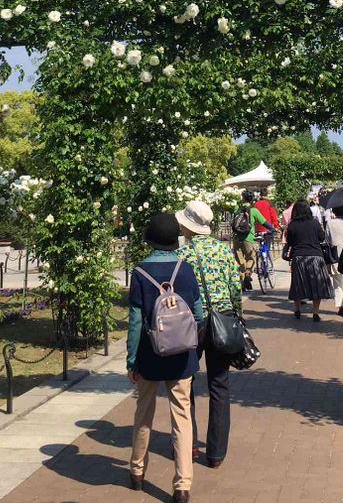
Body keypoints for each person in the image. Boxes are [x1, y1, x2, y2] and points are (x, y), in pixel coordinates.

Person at [127, 212, 204, 502]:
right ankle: (183, 484)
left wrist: (131, 360)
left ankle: (136, 470)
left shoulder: (140, 272)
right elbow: (197, 313)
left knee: (143, 412)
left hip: (149, 353)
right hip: (181, 354)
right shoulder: (185, 269)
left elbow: (135, 322)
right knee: (181, 416)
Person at [177, 199, 242, 470]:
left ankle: (187, 444)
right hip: (222, 321)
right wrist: (235, 314)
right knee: (219, 385)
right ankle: (216, 452)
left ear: (188, 226)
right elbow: (235, 288)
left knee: (186, 383)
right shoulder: (224, 251)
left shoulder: (185, 255)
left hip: (193, 324)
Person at [282, 199, 333, 322]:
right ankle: (315, 312)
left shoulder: (292, 225)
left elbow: (290, 242)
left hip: (299, 257)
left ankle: (297, 310)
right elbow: (322, 237)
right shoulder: (314, 223)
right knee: (317, 284)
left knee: (297, 284)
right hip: (315, 256)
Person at [232, 189, 270, 290]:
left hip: (236, 238)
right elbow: (264, 222)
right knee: (251, 258)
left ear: (242, 197)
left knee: (240, 261)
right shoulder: (254, 211)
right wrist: (273, 229)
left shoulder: (237, 208)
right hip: (249, 238)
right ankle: (248, 274)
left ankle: (242, 282)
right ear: (252, 199)